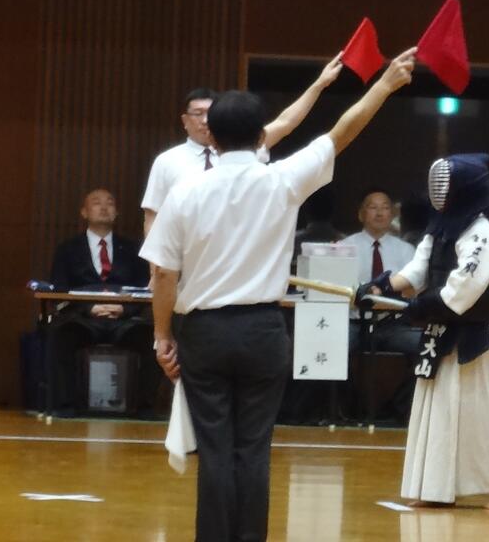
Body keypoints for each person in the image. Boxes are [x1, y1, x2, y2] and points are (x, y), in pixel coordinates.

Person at [140, 48, 416, 542]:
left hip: (203, 331)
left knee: (215, 450)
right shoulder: (282, 180)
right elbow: (342, 132)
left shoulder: (185, 192)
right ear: (260, 136)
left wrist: (163, 335)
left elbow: (163, 272)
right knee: (254, 448)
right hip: (264, 330)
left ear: (212, 136)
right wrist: (385, 84)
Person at [359, 154, 489, 509]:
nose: (438, 191)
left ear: (465, 189)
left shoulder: (482, 233)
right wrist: (379, 288)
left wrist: (419, 307)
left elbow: (465, 286)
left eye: (446, 184)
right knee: (437, 408)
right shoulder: (440, 227)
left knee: (482, 410)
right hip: (441, 328)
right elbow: (417, 270)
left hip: (473, 335)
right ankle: (436, 489)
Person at [141, 54, 344, 238]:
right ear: (185, 120)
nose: (205, 120)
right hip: (186, 252)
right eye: (197, 113)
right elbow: (152, 217)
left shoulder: (244, 146)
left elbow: (285, 122)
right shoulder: (167, 160)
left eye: (210, 113)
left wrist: (319, 84)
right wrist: (156, 263)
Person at [49, 189, 157, 416]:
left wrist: (124, 309)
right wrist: (89, 308)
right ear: (84, 212)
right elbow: (59, 289)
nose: (104, 207)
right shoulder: (67, 249)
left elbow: (145, 287)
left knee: (151, 338)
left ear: (117, 212)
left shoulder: (134, 249)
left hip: (125, 320)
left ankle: (146, 408)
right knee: (60, 335)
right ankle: (65, 406)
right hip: (83, 318)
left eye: (110, 203)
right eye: (96, 203)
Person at [340, 188, 421, 421]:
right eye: (373, 207)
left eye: (385, 207)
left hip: (393, 324)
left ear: (392, 214)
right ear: (361, 214)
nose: (379, 213)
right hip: (354, 322)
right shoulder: (344, 247)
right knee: (334, 347)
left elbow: (414, 288)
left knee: (428, 346)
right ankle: (349, 410)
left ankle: (396, 408)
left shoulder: (406, 250)